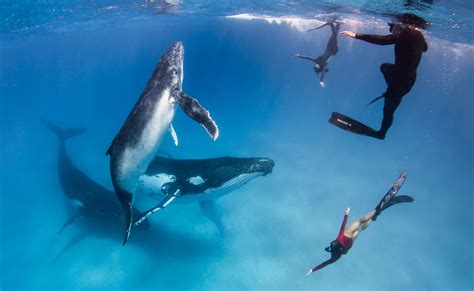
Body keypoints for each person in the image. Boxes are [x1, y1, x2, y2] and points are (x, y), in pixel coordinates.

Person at [339, 13, 428, 139]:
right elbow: (425, 48)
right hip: (408, 80)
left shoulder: (406, 34)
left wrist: (356, 35)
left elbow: (382, 40)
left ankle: (381, 133)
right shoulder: (416, 35)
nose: (392, 30)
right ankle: (389, 95)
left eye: (392, 27)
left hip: (399, 83)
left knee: (388, 110)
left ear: (402, 25)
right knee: (385, 67)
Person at [306, 172, 414, 275]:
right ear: (333, 245)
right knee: (360, 221)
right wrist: (346, 214)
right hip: (347, 235)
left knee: (362, 227)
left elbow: (324, 264)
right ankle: (377, 210)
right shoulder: (338, 240)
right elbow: (342, 228)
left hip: (350, 242)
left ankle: (377, 213)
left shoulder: (335, 257)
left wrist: (312, 270)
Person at [295, 22, 341, 88]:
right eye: (315, 68)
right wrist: (321, 81)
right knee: (334, 36)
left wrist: (299, 56)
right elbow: (322, 73)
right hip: (333, 50)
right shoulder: (324, 65)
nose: (314, 66)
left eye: (314, 67)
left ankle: (338, 24)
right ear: (319, 67)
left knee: (334, 36)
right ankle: (332, 24)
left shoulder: (316, 60)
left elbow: (307, 58)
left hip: (329, 48)